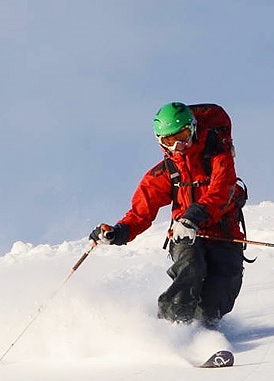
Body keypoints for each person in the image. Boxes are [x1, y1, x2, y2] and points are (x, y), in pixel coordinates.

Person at [90, 102, 247, 328]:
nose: (178, 145)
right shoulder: (166, 171)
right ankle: (171, 327)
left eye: (183, 135)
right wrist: (119, 232)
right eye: (169, 141)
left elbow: (221, 192)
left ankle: (203, 329)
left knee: (224, 285)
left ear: (193, 128)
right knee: (190, 266)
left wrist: (193, 217)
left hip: (224, 233)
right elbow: (141, 211)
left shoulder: (218, 158)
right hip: (185, 235)